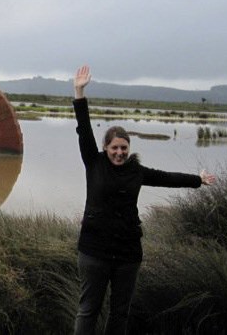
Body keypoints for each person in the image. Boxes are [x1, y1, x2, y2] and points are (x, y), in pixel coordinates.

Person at [72, 65, 216, 335]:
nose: (119, 152)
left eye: (123, 148)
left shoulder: (136, 171)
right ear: (105, 148)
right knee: (88, 310)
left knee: (120, 312)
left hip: (128, 254)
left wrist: (197, 180)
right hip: (93, 251)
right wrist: (79, 91)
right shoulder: (94, 163)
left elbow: (166, 177)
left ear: (129, 149)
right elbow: (84, 127)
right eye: (114, 148)